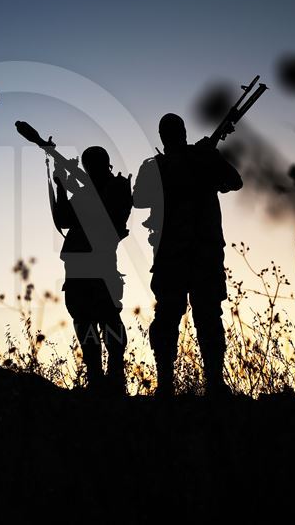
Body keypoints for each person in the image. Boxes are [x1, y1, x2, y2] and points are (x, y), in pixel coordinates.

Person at [133, 113, 242, 396]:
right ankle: (172, 383)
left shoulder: (195, 158)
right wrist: (198, 161)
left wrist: (208, 158)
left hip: (192, 251)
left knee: (200, 316)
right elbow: (139, 198)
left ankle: (211, 383)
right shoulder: (158, 166)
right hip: (183, 252)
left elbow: (233, 181)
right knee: (180, 316)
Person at [52, 146, 132, 392]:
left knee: (109, 318)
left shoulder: (116, 187)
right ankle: (96, 377)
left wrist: (71, 183)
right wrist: (62, 186)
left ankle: (115, 374)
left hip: (100, 262)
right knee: (84, 320)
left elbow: (113, 212)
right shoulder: (87, 192)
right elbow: (64, 218)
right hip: (78, 263)